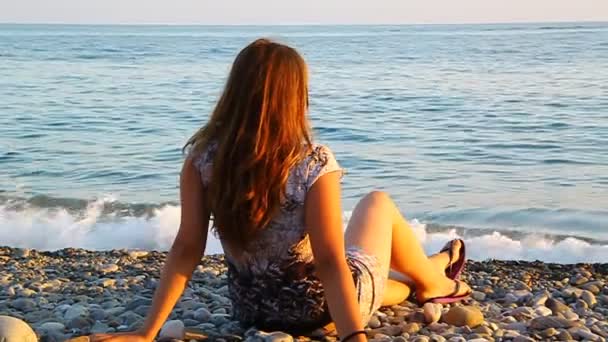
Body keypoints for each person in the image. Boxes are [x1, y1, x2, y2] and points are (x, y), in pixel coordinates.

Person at [90, 38, 470, 342]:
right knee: (377, 203)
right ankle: (436, 278)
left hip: (251, 309)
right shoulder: (313, 162)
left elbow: (187, 248)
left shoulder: (202, 159)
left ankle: (429, 273)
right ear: (295, 97)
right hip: (317, 307)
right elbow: (329, 261)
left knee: (387, 285)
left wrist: (146, 332)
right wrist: (354, 336)